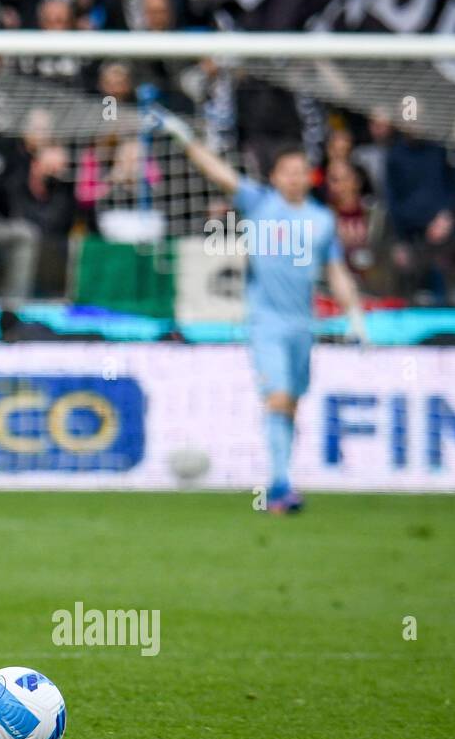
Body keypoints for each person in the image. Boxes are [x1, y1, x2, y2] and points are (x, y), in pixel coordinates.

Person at [150, 105, 368, 514]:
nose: (295, 177)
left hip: (304, 325)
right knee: (279, 399)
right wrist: (184, 136)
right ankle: (280, 486)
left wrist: (354, 316)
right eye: (288, 170)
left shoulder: (322, 220)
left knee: (292, 403)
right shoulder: (260, 203)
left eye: (301, 170)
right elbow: (218, 172)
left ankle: (283, 477)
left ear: (309, 176)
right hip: (266, 322)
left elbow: (335, 271)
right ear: (275, 176)